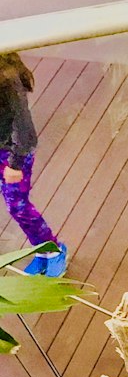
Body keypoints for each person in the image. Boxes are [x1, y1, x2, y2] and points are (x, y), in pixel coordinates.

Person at [0, 53, 66, 277]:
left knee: (17, 205)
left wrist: (15, 164)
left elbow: (24, 128)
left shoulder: (7, 80)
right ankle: (43, 250)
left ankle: (53, 249)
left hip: (11, 152)